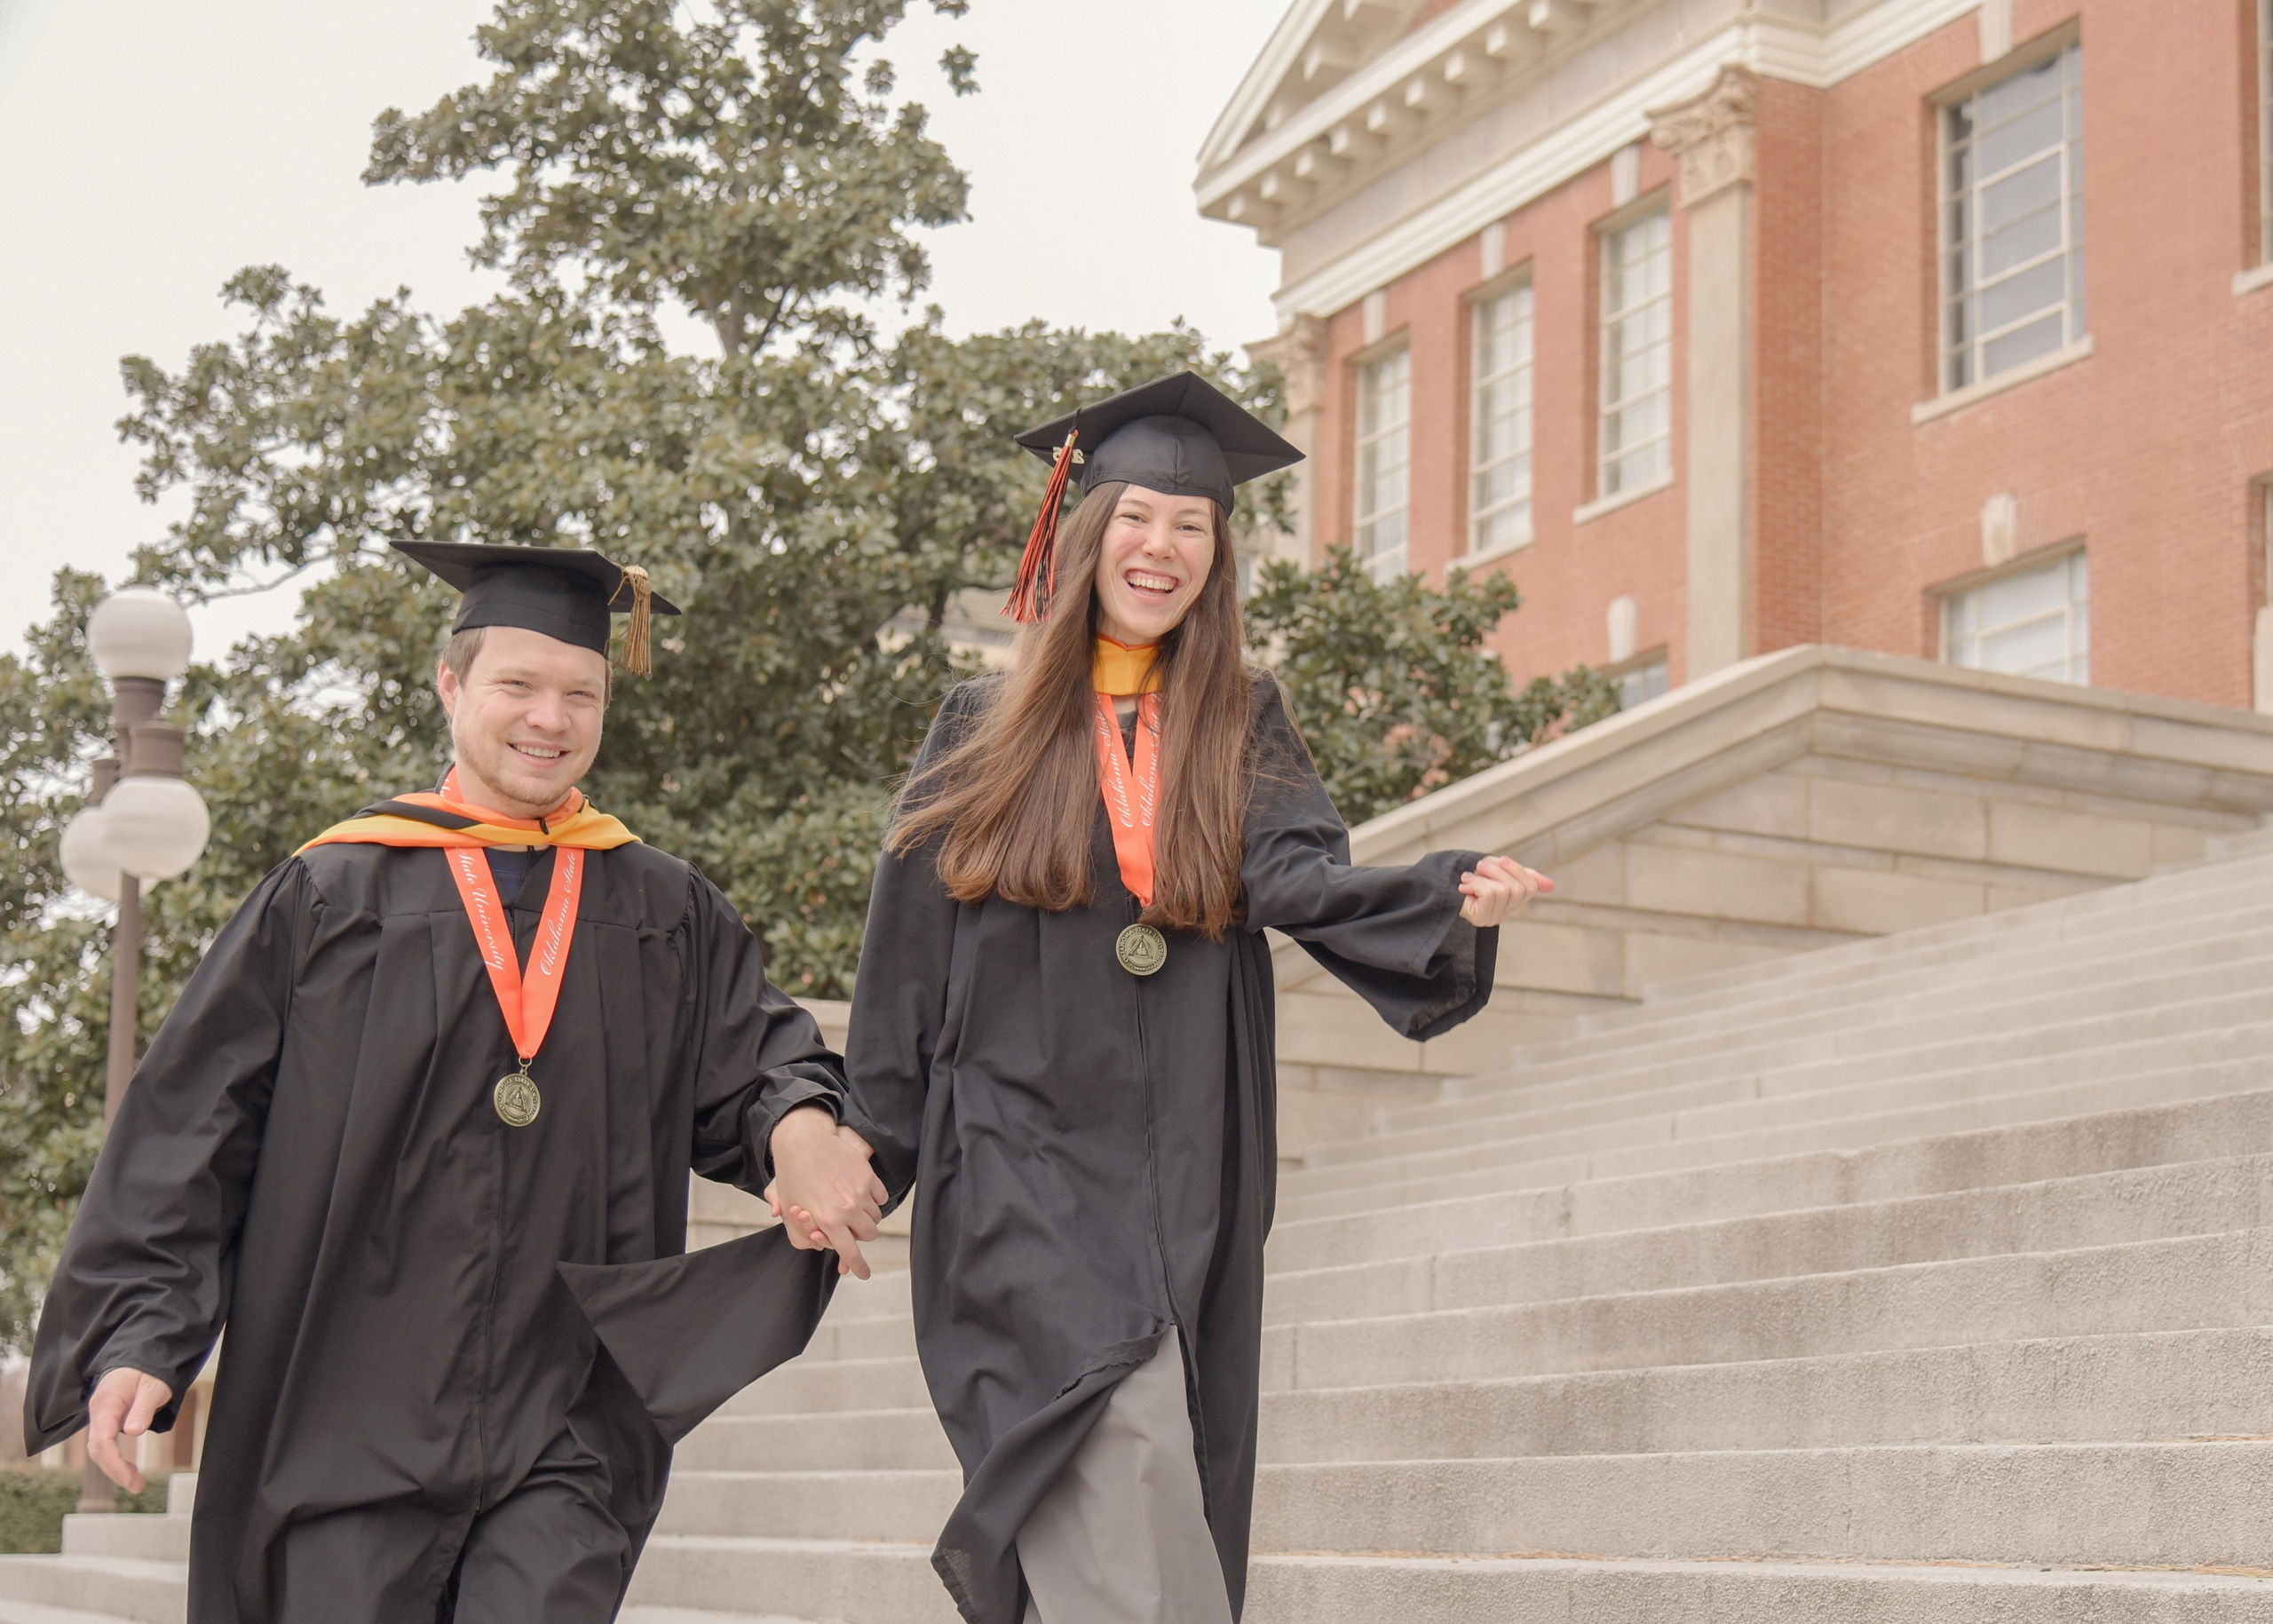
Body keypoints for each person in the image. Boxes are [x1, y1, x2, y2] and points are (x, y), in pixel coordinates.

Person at [772, 372, 1552, 1624]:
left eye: (1193, 526)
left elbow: (1302, 876)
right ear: (1085, 535)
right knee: (1113, 1425)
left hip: (1190, 1158)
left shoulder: (1240, 721)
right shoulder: (981, 727)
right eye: (1139, 516)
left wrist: (1444, 897)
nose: (1163, 547)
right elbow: (906, 961)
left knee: (1169, 1465)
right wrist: (866, 1138)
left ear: (1219, 557)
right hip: (1016, 1160)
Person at [24, 543, 881, 1624]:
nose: (550, 717)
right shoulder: (333, 892)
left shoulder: (662, 910)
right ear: (451, 683)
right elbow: (194, 1131)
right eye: (518, 684)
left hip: (565, 1412)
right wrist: (146, 1334)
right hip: (345, 1409)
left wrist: (798, 1118)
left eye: (582, 691)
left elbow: (754, 1057)